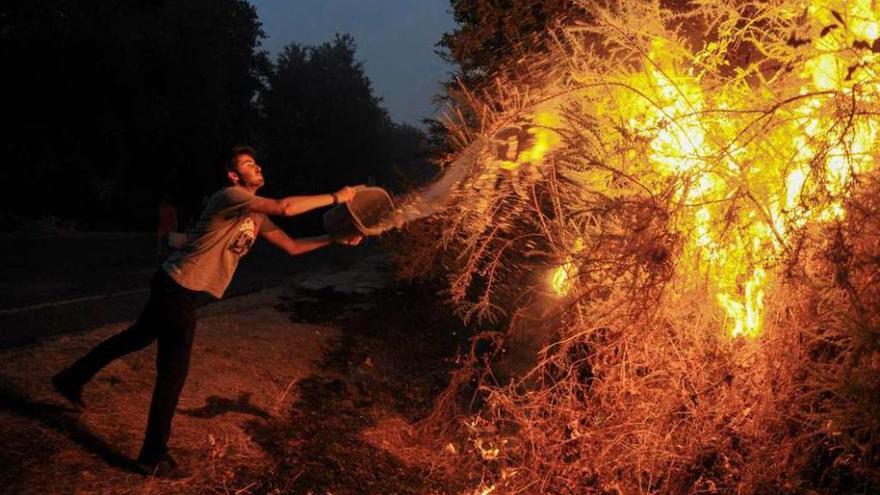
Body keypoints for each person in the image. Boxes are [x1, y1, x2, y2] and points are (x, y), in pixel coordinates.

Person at [51, 145, 360, 477]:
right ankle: (152, 454)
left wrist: (334, 237)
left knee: (134, 338)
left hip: (181, 290)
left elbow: (293, 246)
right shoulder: (228, 196)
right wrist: (336, 196)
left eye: (256, 162)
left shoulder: (255, 214)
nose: (256, 166)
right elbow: (285, 207)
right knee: (173, 373)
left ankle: (70, 378)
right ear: (233, 175)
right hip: (178, 288)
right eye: (247, 164)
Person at [156, 193, 178, 260]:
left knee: (170, 242)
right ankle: (159, 254)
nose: (165, 201)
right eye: (164, 200)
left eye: (166, 200)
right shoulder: (161, 207)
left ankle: (171, 255)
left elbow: (175, 218)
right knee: (160, 240)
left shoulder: (171, 208)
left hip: (170, 227)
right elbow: (161, 215)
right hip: (162, 226)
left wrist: (175, 226)